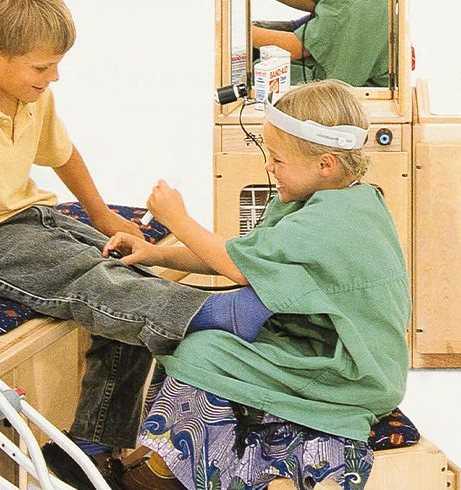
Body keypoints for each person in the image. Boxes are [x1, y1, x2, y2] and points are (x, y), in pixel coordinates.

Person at [0, 1, 275, 488]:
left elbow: (63, 154)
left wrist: (100, 214)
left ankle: (93, 443)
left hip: (29, 214)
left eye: (57, 63)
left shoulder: (28, 91)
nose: (53, 76)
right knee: (92, 282)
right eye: (43, 66)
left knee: (128, 270)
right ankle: (217, 313)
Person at [104, 80, 411, 490]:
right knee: (205, 342)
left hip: (354, 374)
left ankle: (175, 475)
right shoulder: (334, 201)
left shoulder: (330, 221)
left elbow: (236, 266)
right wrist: (157, 254)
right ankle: (167, 464)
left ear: (326, 163)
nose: (269, 167)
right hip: (327, 350)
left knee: (203, 351)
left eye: (278, 159)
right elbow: (248, 254)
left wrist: (176, 219)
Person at [251, 0, 390, 87]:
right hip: (351, 70)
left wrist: (239, 30)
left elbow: (296, 47)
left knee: (257, 71)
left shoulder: (353, 6)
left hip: (354, 91)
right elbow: (320, 4)